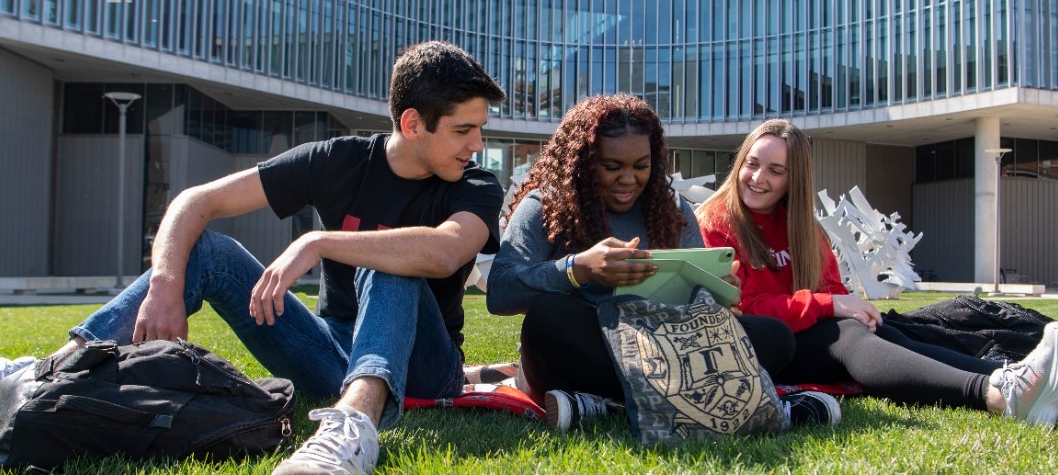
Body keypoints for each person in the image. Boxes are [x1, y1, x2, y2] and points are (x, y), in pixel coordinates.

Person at [40, 40, 506, 475]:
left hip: (426, 369)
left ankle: (352, 430)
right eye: (463, 130)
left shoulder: (477, 185)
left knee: (390, 260)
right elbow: (196, 201)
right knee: (212, 252)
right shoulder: (336, 161)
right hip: (330, 354)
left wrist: (315, 242)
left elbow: (445, 252)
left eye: (479, 129)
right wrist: (165, 284)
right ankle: (54, 371)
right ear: (412, 124)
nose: (477, 145)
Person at [485, 95, 839, 432]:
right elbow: (501, 292)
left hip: (663, 348)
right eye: (611, 167)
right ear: (583, 162)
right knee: (547, 317)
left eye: (641, 166)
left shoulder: (671, 210)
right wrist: (577, 269)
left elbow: (702, 312)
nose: (629, 179)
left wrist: (718, 295)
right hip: (589, 346)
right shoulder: (545, 206)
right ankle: (694, 401)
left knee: (775, 337)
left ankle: (606, 404)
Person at [694, 118, 1058, 425]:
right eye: (752, 164)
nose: (757, 177)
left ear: (794, 179)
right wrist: (826, 305)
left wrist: (842, 307)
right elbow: (742, 308)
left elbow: (832, 290)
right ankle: (995, 394)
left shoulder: (802, 227)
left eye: (775, 171)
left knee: (881, 332)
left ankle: (1008, 379)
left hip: (805, 337)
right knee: (848, 337)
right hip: (759, 347)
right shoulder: (713, 223)